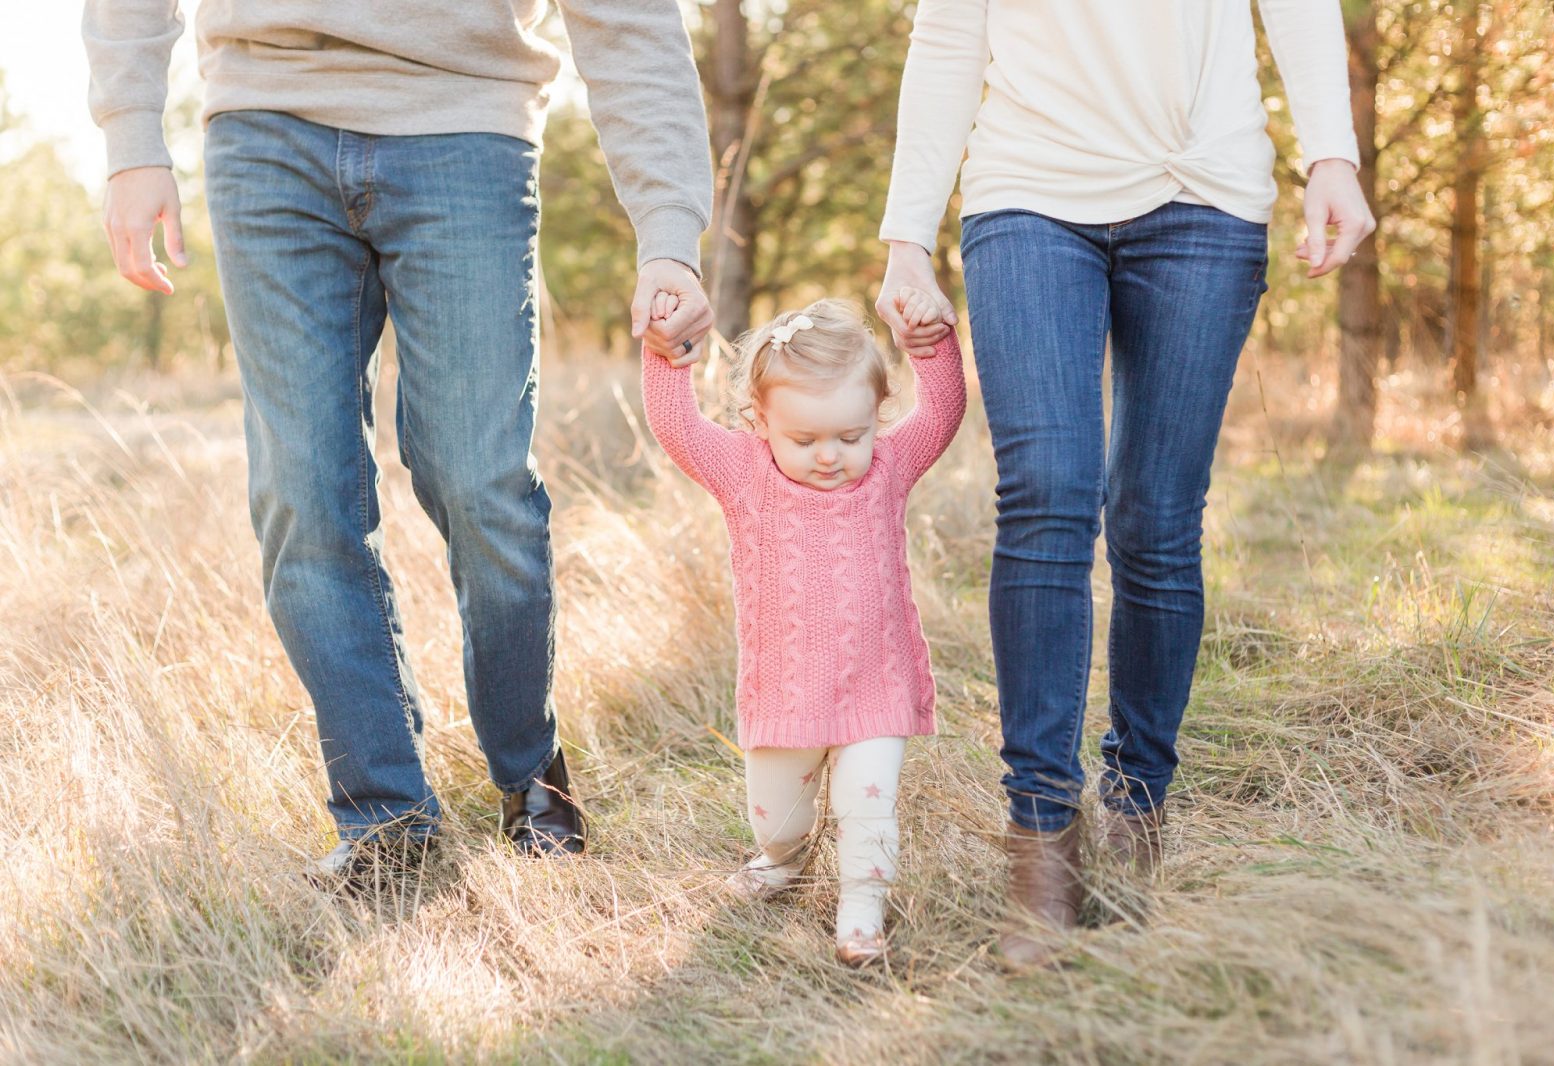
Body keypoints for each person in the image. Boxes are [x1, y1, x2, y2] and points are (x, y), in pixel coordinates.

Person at [82, 0, 717, 881]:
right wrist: (131, 136)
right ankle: (387, 820)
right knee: (303, 496)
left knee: (479, 480)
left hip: (467, 123)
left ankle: (531, 774)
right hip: (265, 125)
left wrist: (669, 231)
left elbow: (628, 18)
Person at [875, 0, 1377, 966]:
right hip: (1028, 191)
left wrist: (1332, 154)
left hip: (1204, 197)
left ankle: (1137, 811)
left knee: (1154, 516)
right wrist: (908, 234)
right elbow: (946, 36)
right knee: (1049, 493)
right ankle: (1042, 849)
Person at [640, 295, 965, 965]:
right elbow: (678, 427)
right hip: (785, 694)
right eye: (806, 439)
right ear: (761, 423)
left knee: (867, 806)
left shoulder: (888, 470)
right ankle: (783, 861)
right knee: (779, 819)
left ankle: (861, 913)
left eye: (850, 436)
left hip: (875, 685)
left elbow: (942, 414)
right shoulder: (744, 473)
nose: (829, 456)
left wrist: (931, 346)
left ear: (876, 419)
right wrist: (666, 355)